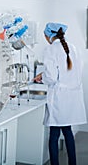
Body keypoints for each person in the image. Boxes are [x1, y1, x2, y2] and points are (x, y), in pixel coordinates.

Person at [33, 22, 87, 165]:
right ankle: (73, 163)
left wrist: (42, 78)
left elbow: (51, 77)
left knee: (54, 134)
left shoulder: (50, 50)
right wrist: (43, 74)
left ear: (48, 35)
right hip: (72, 96)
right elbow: (68, 70)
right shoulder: (73, 48)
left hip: (59, 97)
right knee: (67, 131)